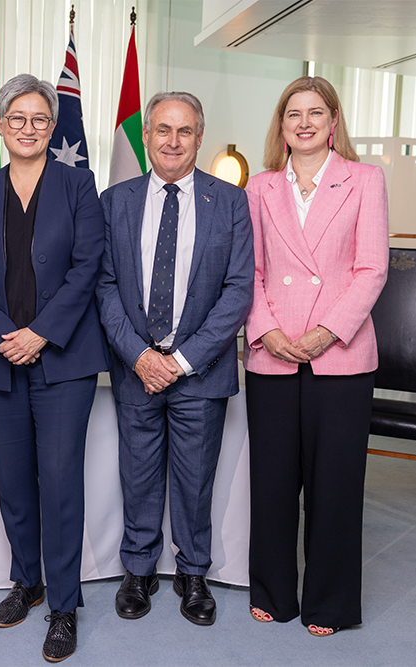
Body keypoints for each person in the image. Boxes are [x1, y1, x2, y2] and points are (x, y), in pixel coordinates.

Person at [0, 74, 108, 663]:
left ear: (52, 126)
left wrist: (40, 333)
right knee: (15, 483)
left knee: (61, 485)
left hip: (63, 360)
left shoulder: (79, 183)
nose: (27, 128)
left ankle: (64, 606)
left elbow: (88, 265)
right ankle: (28, 581)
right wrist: (4, 335)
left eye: (39, 119)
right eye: (16, 117)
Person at [96, 91, 254, 627]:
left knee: (194, 479)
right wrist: (140, 355)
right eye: (162, 129)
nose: (172, 140)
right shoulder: (114, 200)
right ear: (146, 136)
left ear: (199, 137)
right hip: (135, 367)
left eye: (184, 131)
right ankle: (137, 570)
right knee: (138, 476)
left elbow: (237, 292)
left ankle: (193, 574)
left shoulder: (230, 202)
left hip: (200, 374)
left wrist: (182, 360)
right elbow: (106, 285)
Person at [243, 76, 388, 637]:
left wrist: (327, 331)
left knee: (335, 484)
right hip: (274, 350)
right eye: (292, 114)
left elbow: (372, 268)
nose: (304, 123)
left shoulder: (365, 180)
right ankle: (274, 592)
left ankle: (329, 604)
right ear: (281, 127)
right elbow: (249, 272)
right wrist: (266, 330)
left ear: (333, 123)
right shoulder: (258, 188)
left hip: (341, 355)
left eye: (316, 113)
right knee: (274, 481)